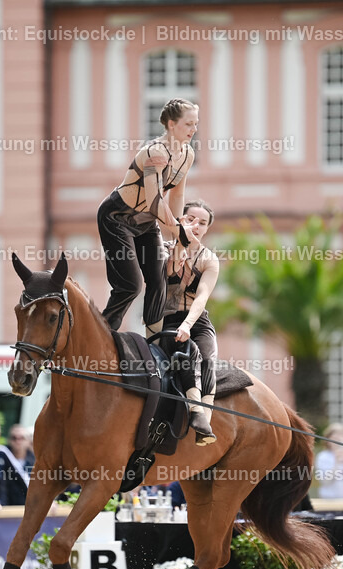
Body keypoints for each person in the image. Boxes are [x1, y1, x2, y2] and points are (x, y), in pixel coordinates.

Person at [98, 98, 199, 336]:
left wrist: (178, 236)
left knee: (159, 279)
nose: (194, 130)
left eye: (196, 124)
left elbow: (177, 195)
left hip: (145, 223)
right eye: (188, 124)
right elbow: (155, 202)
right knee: (130, 286)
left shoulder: (187, 155)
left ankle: (153, 341)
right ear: (171, 125)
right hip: (117, 217)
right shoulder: (156, 153)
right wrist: (179, 232)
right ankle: (99, 334)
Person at [163, 198, 220, 444]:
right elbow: (166, 274)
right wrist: (182, 245)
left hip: (196, 320)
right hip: (168, 319)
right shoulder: (163, 248)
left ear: (207, 229)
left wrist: (187, 325)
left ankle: (204, 421)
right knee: (188, 352)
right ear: (180, 220)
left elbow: (202, 297)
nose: (196, 225)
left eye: (202, 222)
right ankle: (195, 410)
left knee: (207, 357)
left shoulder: (210, 260)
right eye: (190, 219)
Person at [0, 424, 34, 507]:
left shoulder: (36, 462)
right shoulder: (0, 458)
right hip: (6, 509)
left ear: (28, 441)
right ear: (9, 440)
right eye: (14, 438)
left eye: (21, 438)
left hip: (29, 510)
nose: (17, 441)